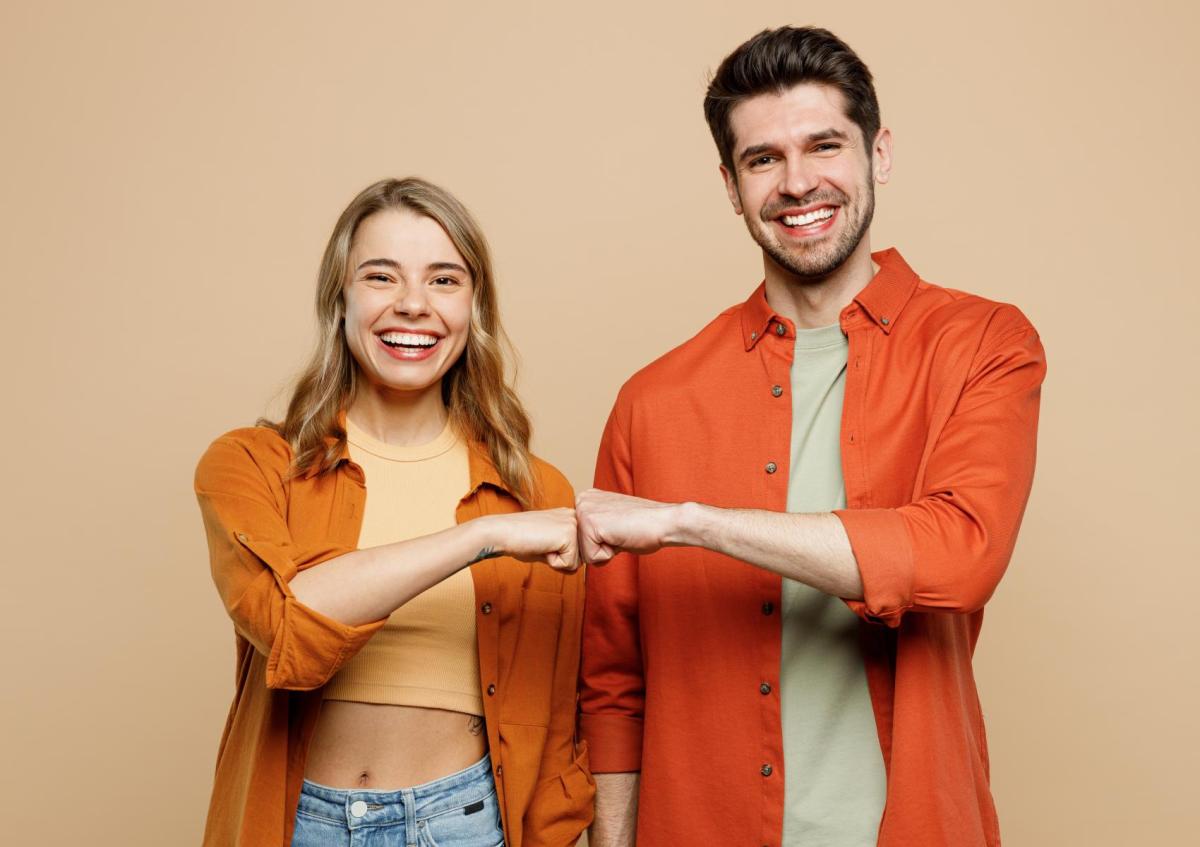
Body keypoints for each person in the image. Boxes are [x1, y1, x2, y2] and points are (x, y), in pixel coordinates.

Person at [576, 26, 1045, 847]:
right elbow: (613, 681)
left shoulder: (984, 343)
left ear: (879, 153)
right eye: (763, 160)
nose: (798, 183)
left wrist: (693, 522)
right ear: (731, 184)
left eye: (824, 145)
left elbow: (958, 554)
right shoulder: (652, 401)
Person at [194, 178, 594, 846]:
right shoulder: (253, 464)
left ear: (475, 308)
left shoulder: (535, 490)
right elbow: (291, 631)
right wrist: (481, 536)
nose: (413, 305)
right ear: (340, 299)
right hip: (303, 824)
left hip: (468, 823)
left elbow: (558, 718)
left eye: (444, 280)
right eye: (381, 276)